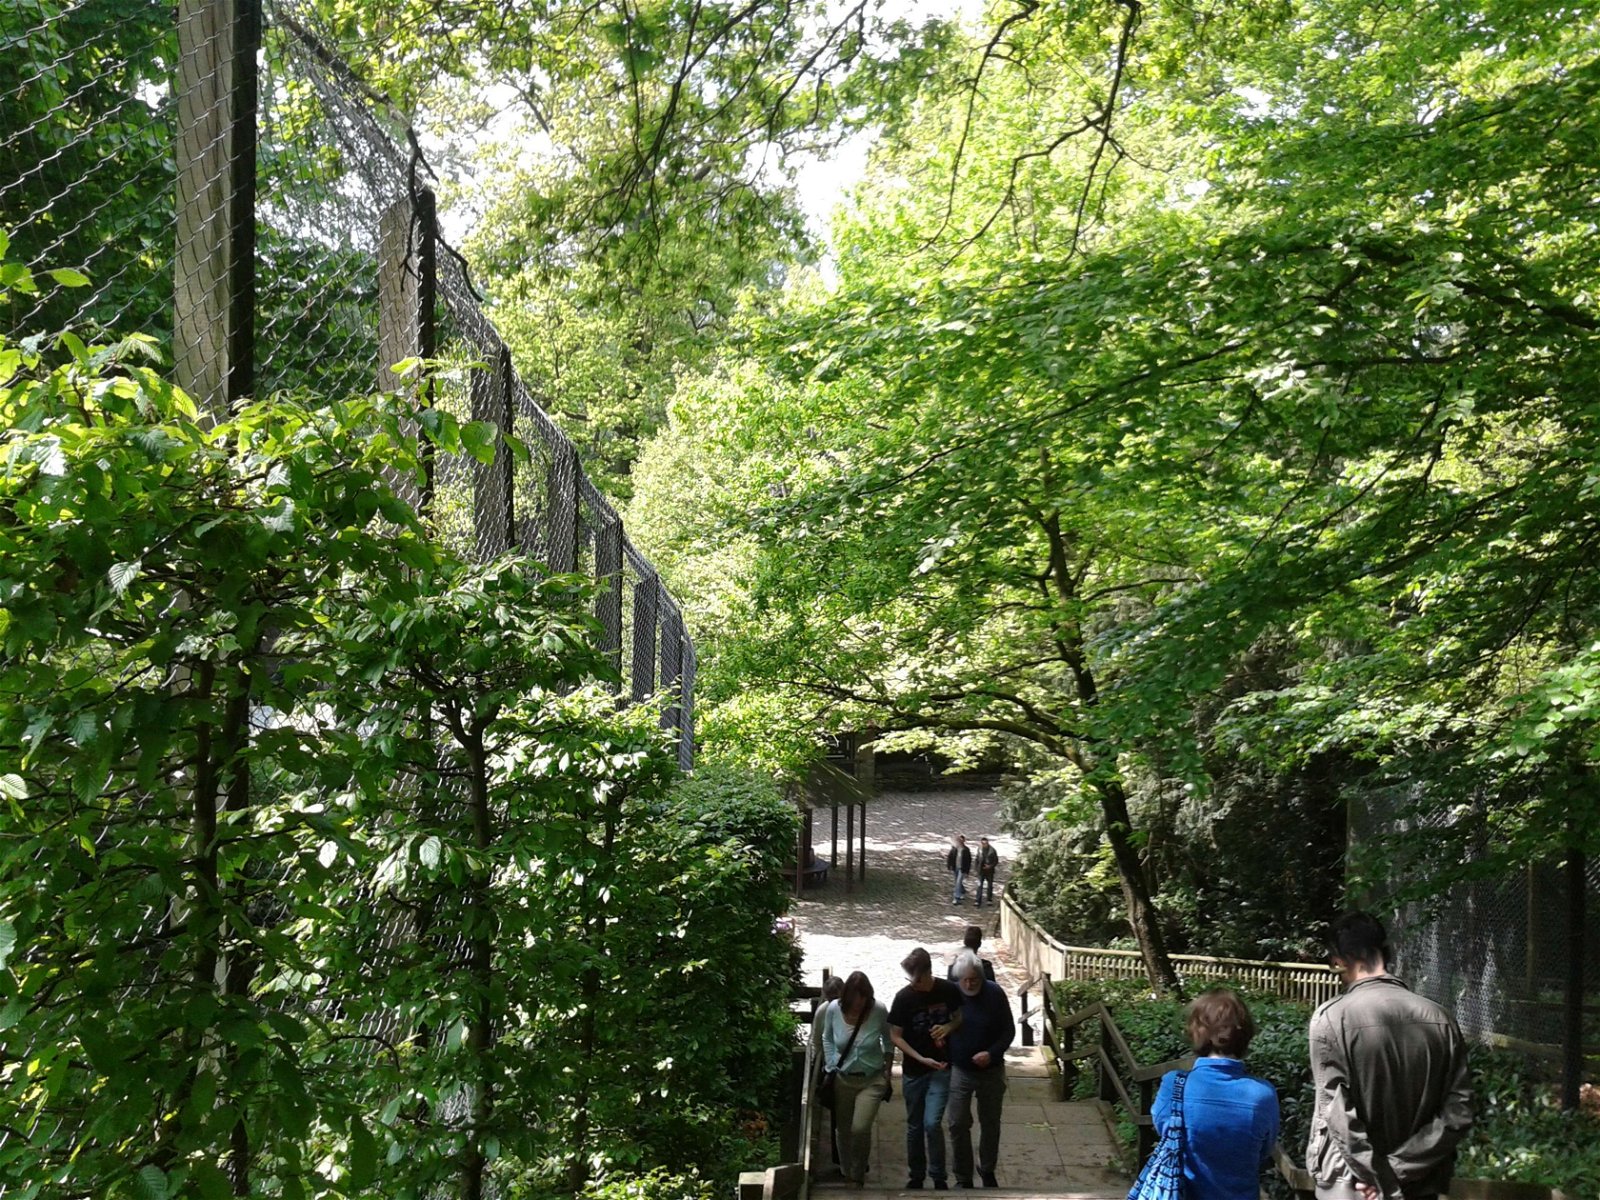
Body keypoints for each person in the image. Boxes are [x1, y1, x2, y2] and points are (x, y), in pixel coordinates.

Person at [1307, 912, 1472, 1200]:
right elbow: (1459, 1111)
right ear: (1385, 953)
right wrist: (1397, 1169)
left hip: (1351, 1186)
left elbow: (1336, 1111)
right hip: (1420, 1185)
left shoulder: (1331, 1018)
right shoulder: (1441, 1019)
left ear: (1340, 960)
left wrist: (1376, 1176)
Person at [1152, 987, 1280, 1200]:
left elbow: (1163, 1129)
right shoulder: (1263, 1094)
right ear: (1245, 1034)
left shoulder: (1174, 1085)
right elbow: (1265, 1149)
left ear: (1196, 1032)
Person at [889, 947, 964, 1189]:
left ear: (929, 972)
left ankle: (938, 1175)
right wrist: (919, 1058)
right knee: (914, 1125)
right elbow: (896, 1036)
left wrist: (948, 1028)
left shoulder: (948, 990)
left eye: (918, 979)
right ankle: (916, 1175)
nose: (914, 984)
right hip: (914, 1069)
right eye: (910, 979)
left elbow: (959, 1017)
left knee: (932, 1123)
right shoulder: (903, 998)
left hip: (941, 1067)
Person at [947, 950, 1015, 1189]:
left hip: (991, 1070)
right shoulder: (952, 992)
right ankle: (963, 1176)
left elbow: (1009, 1031)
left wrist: (992, 1053)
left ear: (980, 976)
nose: (969, 984)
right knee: (956, 1122)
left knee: (990, 1122)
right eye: (964, 980)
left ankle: (987, 1169)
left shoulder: (994, 993)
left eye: (973, 979)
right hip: (960, 1069)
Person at [822, 971, 893, 1187]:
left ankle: (858, 1173)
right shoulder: (833, 1009)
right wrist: (831, 1064)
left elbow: (888, 1043)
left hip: (871, 1080)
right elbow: (827, 1038)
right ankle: (847, 1172)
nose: (859, 1005)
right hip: (842, 1079)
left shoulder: (878, 1010)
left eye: (863, 1000)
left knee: (860, 1128)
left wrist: (887, 1073)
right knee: (843, 1129)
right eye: (855, 1000)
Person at [811, 975, 846, 1168]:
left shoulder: (849, 1008)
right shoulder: (824, 1011)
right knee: (838, 1115)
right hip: (832, 1068)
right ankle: (840, 1157)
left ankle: (846, 1157)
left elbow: (816, 1041)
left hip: (847, 1065)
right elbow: (817, 1040)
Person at [946, 835, 972, 905]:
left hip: (962, 869)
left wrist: (967, 872)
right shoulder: (954, 849)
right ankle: (962, 891)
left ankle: (956, 898)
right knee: (957, 881)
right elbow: (950, 857)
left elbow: (968, 861)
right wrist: (949, 866)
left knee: (958, 882)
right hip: (955, 868)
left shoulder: (966, 850)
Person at [974, 837, 999, 906]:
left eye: (985, 843)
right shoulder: (979, 849)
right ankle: (978, 900)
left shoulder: (992, 850)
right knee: (979, 885)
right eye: (983, 843)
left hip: (989, 871)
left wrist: (990, 866)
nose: (984, 844)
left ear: (988, 843)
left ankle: (989, 899)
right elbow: (977, 859)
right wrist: (976, 868)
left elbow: (996, 861)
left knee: (990, 885)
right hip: (981, 871)